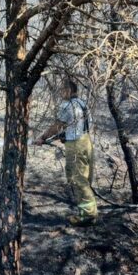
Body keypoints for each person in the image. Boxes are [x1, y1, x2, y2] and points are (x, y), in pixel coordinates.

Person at [35, 78, 97, 226]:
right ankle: (87, 211)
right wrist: (64, 135)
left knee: (78, 180)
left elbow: (57, 125)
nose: (61, 93)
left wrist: (43, 138)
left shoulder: (66, 105)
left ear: (69, 90)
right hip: (86, 142)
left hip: (76, 146)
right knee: (85, 179)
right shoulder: (83, 104)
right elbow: (81, 125)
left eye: (62, 90)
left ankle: (88, 216)